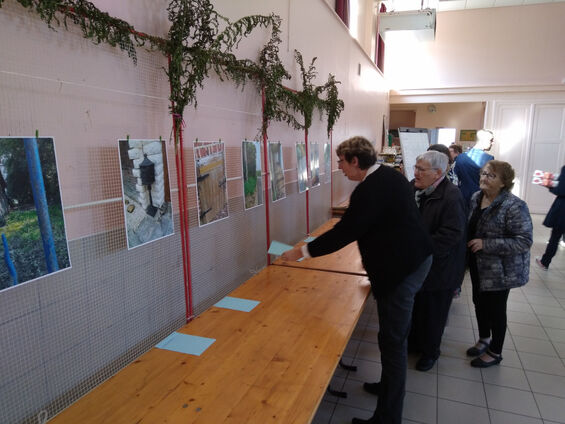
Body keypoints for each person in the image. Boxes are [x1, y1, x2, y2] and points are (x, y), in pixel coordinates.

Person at [282, 136, 433, 424]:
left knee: (393, 342)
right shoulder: (390, 176)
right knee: (389, 338)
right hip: (413, 261)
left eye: (341, 161)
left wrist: (301, 252)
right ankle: (388, 387)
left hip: (402, 271)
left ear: (355, 161)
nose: (339, 167)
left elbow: (345, 231)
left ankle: (388, 417)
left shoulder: (369, 190)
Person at [466, 160, 533, 367]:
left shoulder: (514, 205)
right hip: (478, 264)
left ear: (504, 182)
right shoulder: (477, 197)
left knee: (496, 309)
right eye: (483, 173)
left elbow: (524, 241)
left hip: (501, 270)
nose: (484, 178)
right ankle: (484, 338)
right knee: (479, 303)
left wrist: (487, 244)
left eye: (491, 175)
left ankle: (495, 352)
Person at [408, 151, 467, 371]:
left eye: (421, 169)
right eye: (416, 167)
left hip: (440, 267)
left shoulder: (451, 196)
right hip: (418, 263)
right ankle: (414, 344)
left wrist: (420, 249)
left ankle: (430, 352)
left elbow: (451, 234)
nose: (415, 172)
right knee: (417, 307)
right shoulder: (415, 188)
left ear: (438, 173)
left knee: (434, 313)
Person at [452, 129, 495, 204]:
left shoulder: (460, 157)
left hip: (461, 198)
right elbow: (490, 183)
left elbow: (454, 179)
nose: (492, 143)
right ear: (483, 140)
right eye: (491, 140)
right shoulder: (489, 159)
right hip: (480, 199)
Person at [535, 165, 565, 270]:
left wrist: (549, 185)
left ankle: (545, 262)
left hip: (563, 211)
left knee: (555, 237)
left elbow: (561, 190)